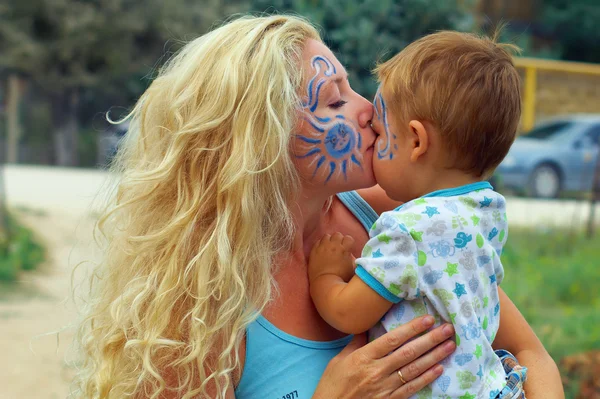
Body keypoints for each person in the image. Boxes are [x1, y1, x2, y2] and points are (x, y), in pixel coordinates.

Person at [73, 15, 563, 399]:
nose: (368, 110)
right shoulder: (199, 302)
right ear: (259, 144)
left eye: (351, 87)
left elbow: (530, 355)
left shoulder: (397, 218)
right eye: (334, 101)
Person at [308, 31, 529, 398]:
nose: (367, 125)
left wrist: (325, 274)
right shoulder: (486, 212)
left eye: (379, 132)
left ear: (416, 141)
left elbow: (348, 314)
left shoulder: (407, 230)